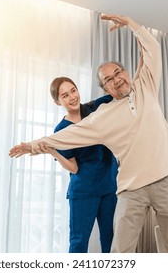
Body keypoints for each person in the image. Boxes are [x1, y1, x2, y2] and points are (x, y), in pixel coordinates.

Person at [9, 14, 168, 253]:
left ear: (126, 72)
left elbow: (153, 49)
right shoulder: (101, 116)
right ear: (105, 88)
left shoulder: (145, 86)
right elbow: (68, 136)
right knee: (118, 249)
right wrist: (34, 145)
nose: (116, 80)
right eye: (108, 80)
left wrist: (133, 26)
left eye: (118, 73)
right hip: (128, 189)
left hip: (166, 177)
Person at [42, 76, 118, 253]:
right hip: (84, 191)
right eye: (65, 95)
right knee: (79, 242)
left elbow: (119, 94)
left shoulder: (94, 109)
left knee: (111, 240)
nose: (72, 97)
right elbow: (74, 168)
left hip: (109, 187)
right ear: (57, 102)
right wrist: (53, 152)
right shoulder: (61, 130)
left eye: (73, 91)